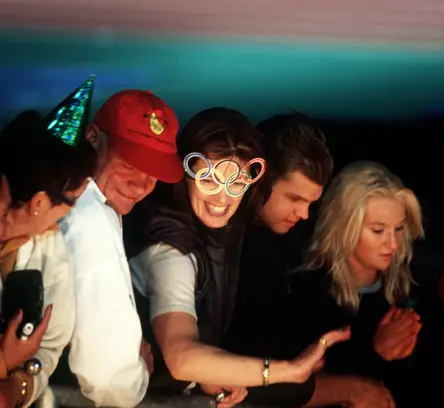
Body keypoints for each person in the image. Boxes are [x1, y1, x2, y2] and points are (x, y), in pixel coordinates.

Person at [127, 108, 350, 408]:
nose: (222, 197)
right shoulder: (171, 251)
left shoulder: (223, 233)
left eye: (235, 183)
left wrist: (207, 375)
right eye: (209, 179)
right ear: (186, 173)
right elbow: (180, 355)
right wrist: (287, 371)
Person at [224, 113, 395, 407]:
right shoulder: (230, 250)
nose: (303, 214)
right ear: (257, 177)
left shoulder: (283, 244)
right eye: (294, 199)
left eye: (311, 203)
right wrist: (351, 389)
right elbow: (247, 371)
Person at [60, 88, 183, 408]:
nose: (142, 185)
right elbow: (109, 378)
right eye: (130, 163)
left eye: (153, 172)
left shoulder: (97, 202)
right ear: (92, 137)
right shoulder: (88, 216)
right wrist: (138, 373)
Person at [289, 161, 438, 408]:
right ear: (343, 227)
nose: (392, 243)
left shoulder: (411, 291)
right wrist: (374, 351)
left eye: (399, 228)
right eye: (378, 230)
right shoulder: (304, 293)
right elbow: (296, 389)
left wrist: (408, 353)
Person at [0, 76, 98, 408]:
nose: (68, 214)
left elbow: (50, 344)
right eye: (71, 202)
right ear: (40, 202)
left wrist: (18, 387)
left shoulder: (49, 246)